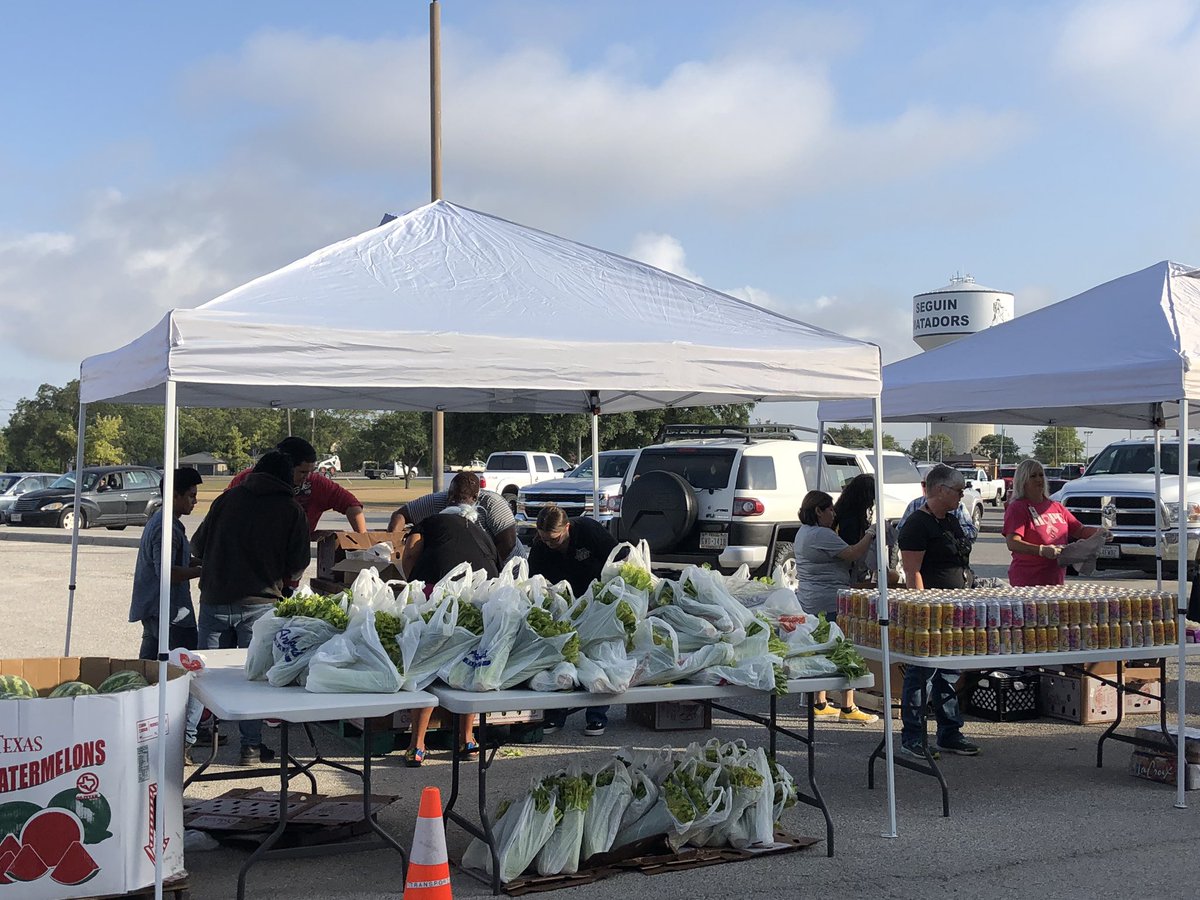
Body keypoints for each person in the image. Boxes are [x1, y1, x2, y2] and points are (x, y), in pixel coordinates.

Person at [192, 450, 311, 765]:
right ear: (287, 478)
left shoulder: (225, 500)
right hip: (260, 602)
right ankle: (251, 747)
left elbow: (198, 546)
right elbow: (298, 563)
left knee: (201, 675)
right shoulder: (290, 509)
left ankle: (187, 743)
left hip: (214, 599)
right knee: (252, 677)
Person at [400, 506, 499, 766]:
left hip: (438, 592)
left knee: (425, 665)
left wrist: (412, 582)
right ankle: (467, 739)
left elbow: (410, 551)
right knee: (468, 664)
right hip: (480, 598)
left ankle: (417, 745)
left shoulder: (432, 520)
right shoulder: (481, 531)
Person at [897, 464, 979, 758]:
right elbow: (912, 571)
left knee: (948, 673)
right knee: (921, 674)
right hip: (931, 612)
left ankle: (949, 732)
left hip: (955, 607)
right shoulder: (918, 524)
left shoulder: (951, 519)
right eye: (958, 490)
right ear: (941, 490)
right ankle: (913, 736)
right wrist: (922, 610)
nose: (961, 495)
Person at [129, 467, 206, 761]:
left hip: (157, 607)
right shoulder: (165, 527)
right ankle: (182, 738)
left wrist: (197, 560)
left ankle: (148, 728)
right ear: (173, 495)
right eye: (190, 496)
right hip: (168, 610)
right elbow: (168, 571)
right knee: (185, 668)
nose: (194, 502)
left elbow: (179, 560)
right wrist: (202, 571)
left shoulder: (167, 522)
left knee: (147, 669)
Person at [529, 504, 619, 736]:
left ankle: (597, 715)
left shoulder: (588, 531)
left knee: (597, 656)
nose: (549, 544)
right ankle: (555, 715)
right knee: (560, 657)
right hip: (563, 606)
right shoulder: (540, 546)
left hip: (597, 602)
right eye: (544, 539)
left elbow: (618, 559)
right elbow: (534, 580)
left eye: (554, 539)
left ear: (567, 527)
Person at [794, 490, 879, 724]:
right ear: (818, 511)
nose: (834, 513)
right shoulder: (821, 534)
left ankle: (819, 702)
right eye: (829, 509)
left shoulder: (804, 532)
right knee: (842, 650)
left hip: (811, 599)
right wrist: (871, 533)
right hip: (829, 599)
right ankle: (848, 706)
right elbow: (852, 554)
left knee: (822, 649)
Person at [229, 436, 366, 537]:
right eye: (302, 472)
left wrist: (363, 540)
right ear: (285, 466)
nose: (306, 477)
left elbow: (351, 505)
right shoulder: (247, 480)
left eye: (310, 472)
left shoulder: (316, 483)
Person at [1003, 458, 1103, 587]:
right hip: (1027, 581)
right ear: (1023, 481)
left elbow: (1079, 530)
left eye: (1041, 475)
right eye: (1033, 476)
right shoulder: (1018, 508)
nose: (1039, 480)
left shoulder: (1055, 506)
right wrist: (1041, 550)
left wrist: (1100, 533)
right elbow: (1013, 543)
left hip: (1055, 579)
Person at [388, 472, 517, 561]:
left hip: (507, 567)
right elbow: (400, 515)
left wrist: (490, 568)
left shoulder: (493, 504)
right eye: (451, 495)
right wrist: (394, 545)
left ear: (475, 498)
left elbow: (508, 542)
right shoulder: (438, 501)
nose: (453, 501)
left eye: (461, 498)